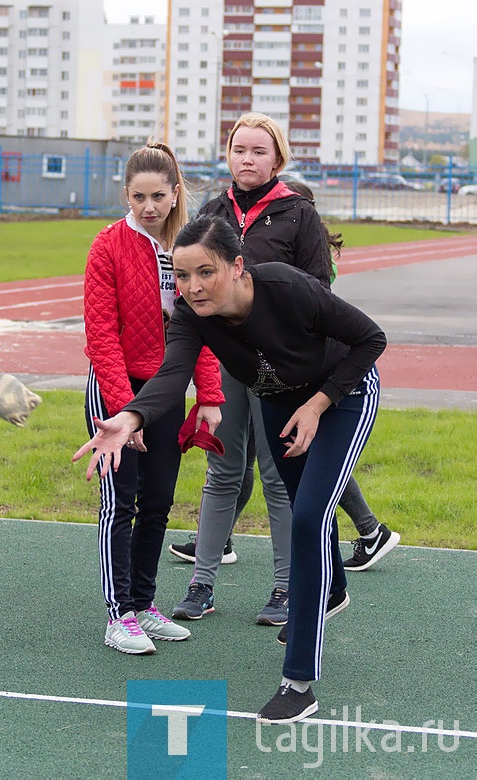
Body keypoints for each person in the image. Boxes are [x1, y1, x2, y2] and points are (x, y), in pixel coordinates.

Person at [74, 213, 386, 724]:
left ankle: (299, 682)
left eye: (206, 273)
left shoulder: (286, 288)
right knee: (311, 519)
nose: (193, 287)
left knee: (307, 517)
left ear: (238, 266)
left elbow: (371, 340)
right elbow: (173, 377)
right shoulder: (191, 315)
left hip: (343, 396)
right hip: (280, 403)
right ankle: (330, 589)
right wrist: (129, 417)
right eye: (183, 275)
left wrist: (319, 404)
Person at [167, 112, 327, 628]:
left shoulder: (299, 214)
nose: (248, 159)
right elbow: (188, 285)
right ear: (228, 155)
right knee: (222, 471)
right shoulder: (214, 211)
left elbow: (318, 291)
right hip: (227, 364)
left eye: (260, 151)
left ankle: (285, 588)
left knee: (279, 477)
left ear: (277, 158)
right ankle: (202, 584)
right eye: (240, 150)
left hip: (280, 367)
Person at [83, 143, 223, 654]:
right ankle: (118, 614)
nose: (148, 206)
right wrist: (125, 411)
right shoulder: (109, 246)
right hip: (117, 394)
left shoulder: (185, 248)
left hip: (167, 392)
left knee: (159, 502)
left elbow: (202, 325)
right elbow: (101, 334)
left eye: (158, 196)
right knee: (120, 504)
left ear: (174, 193)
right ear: (126, 195)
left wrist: (208, 393)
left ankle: (143, 605)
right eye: (139, 196)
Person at [250, 178, 400, 572]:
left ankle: (366, 534)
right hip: (284, 373)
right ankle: (365, 536)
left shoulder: (303, 267)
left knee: (307, 472)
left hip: (318, 373)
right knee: (282, 466)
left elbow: (361, 334)